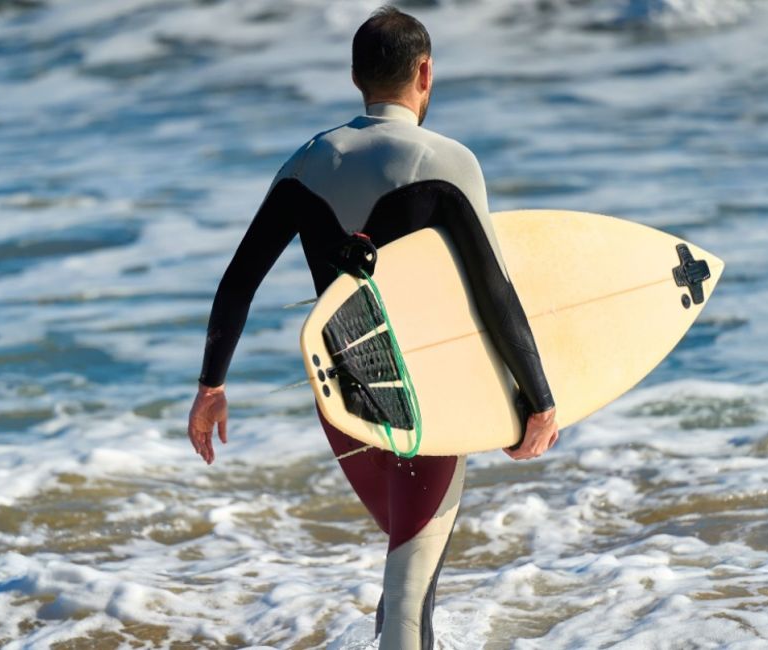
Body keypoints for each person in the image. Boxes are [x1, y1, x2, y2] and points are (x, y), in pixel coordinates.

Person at [187, 7, 559, 648]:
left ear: (356, 76)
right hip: (427, 400)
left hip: (342, 400)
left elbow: (238, 281)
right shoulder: (447, 161)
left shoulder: (308, 161)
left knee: (406, 576)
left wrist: (211, 387)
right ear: (426, 73)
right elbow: (495, 291)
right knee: (412, 586)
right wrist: (538, 399)